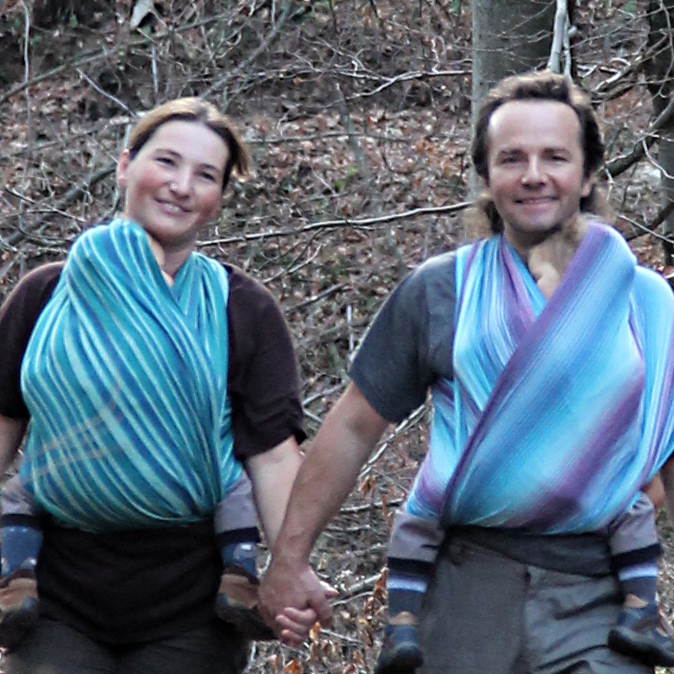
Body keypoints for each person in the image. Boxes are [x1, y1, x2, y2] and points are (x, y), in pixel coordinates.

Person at [259, 71, 674, 674]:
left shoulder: (648, 305)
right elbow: (351, 426)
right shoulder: (442, 291)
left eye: (555, 157)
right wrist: (289, 560)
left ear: (587, 176)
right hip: (466, 590)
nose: (534, 174)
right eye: (512, 158)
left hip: (601, 595)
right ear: (486, 177)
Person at [0, 97, 307, 674]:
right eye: (166, 161)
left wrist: (293, 567)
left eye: (206, 175)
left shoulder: (241, 308)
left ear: (219, 199)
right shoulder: (45, 296)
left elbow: (272, 458)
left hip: (193, 603)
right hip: (54, 596)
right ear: (124, 166)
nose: (181, 187)